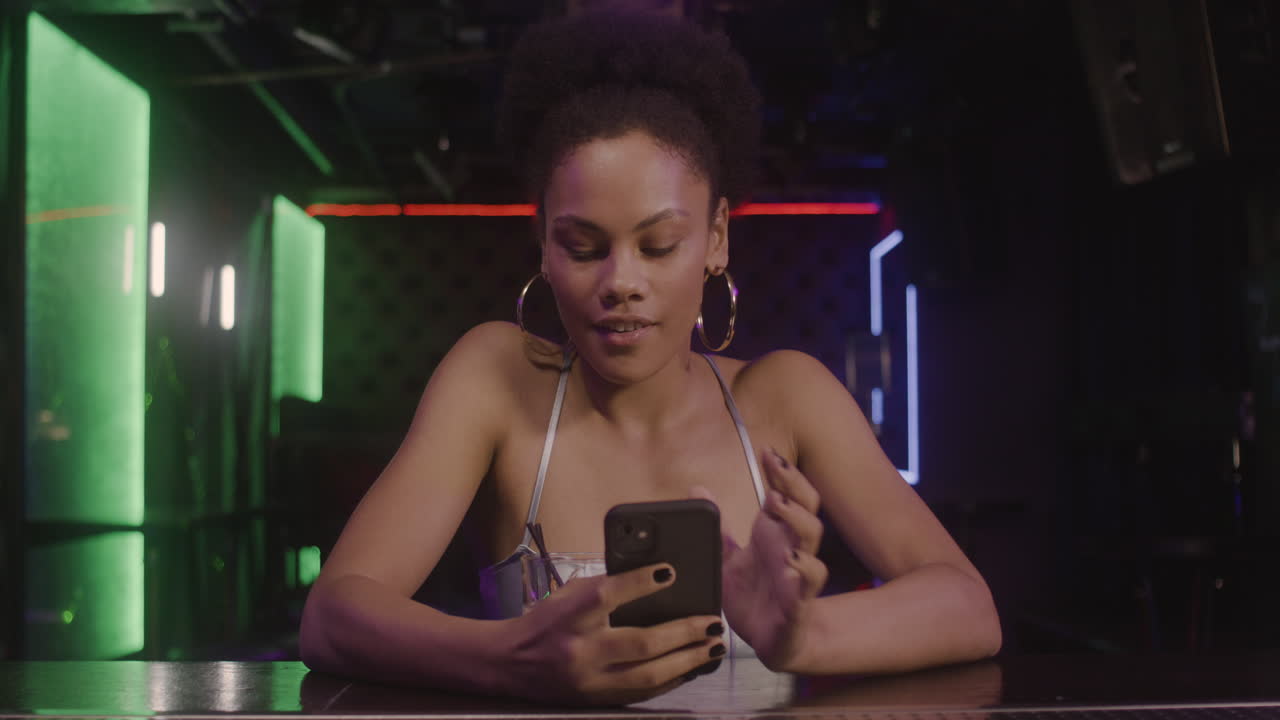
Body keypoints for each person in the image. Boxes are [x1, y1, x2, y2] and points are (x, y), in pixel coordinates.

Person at [299, 10, 1001, 706]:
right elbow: (332, 616)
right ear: (543, 241)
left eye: (659, 245)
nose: (621, 283)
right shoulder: (495, 379)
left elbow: (969, 607)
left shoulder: (786, 396)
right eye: (583, 247)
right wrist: (510, 658)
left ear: (717, 237)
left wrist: (804, 635)